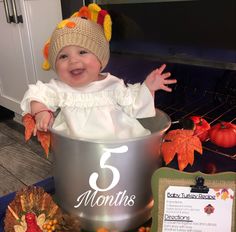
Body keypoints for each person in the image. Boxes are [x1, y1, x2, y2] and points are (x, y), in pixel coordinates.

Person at [21, 4, 176, 140]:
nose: (73, 61)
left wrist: (148, 87)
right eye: (63, 56)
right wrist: (41, 111)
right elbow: (36, 94)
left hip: (117, 143)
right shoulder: (59, 88)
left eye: (82, 52)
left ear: (100, 58)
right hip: (75, 149)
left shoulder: (113, 84)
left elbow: (134, 106)